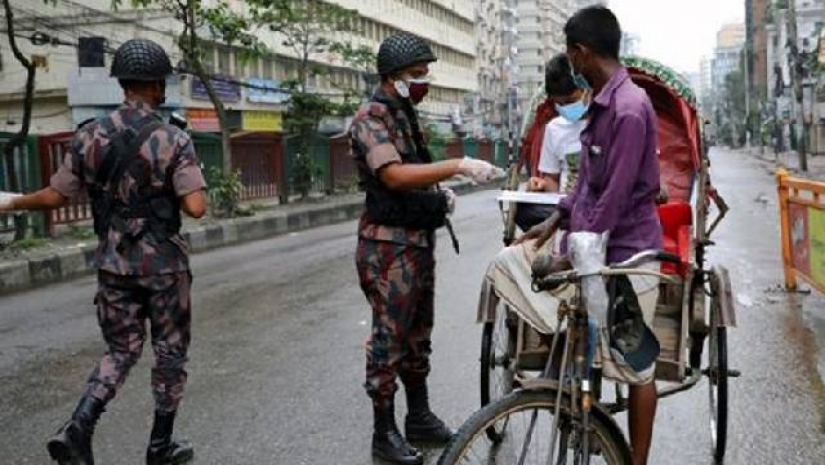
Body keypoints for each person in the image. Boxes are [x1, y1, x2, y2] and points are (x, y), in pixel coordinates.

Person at [0, 38, 206, 465]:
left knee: (121, 351)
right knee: (169, 352)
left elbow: (56, 196)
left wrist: (11, 201)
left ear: (122, 83)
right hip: (164, 267)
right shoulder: (174, 139)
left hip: (113, 264)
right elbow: (196, 208)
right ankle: (159, 446)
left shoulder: (88, 135)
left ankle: (78, 428)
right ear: (156, 85)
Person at [350, 32, 504, 465]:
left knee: (418, 337)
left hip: (416, 242)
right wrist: (457, 165)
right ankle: (384, 433)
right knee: (388, 341)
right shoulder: (370, 117)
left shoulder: (404, 114)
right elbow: (395, 176)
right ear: (393, 77)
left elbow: (414, 174)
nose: (424, 82)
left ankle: (418, 417)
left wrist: (439, 195)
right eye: (417, 75)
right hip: (387, 249)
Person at [520, 6, 664, 465]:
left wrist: (570, 258)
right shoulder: (600, 107)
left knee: (636, 368)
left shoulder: (628, 109)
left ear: (581, 53)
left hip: (627, 254)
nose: (570, 62)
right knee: (581, 348)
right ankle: (588, 429)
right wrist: (556, 219)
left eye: (569, 52)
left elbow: (615, 198)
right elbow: (586, 183)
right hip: (592, 250)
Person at [515, 53, 591, 231]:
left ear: (586, 89)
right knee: (523, 211)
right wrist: (542, 186)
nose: (566, 108)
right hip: (566, 207)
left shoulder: (607, 121)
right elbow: (551, 178)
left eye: (571, 101)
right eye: (560, 104)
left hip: (598, 205)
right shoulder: (554, 128)